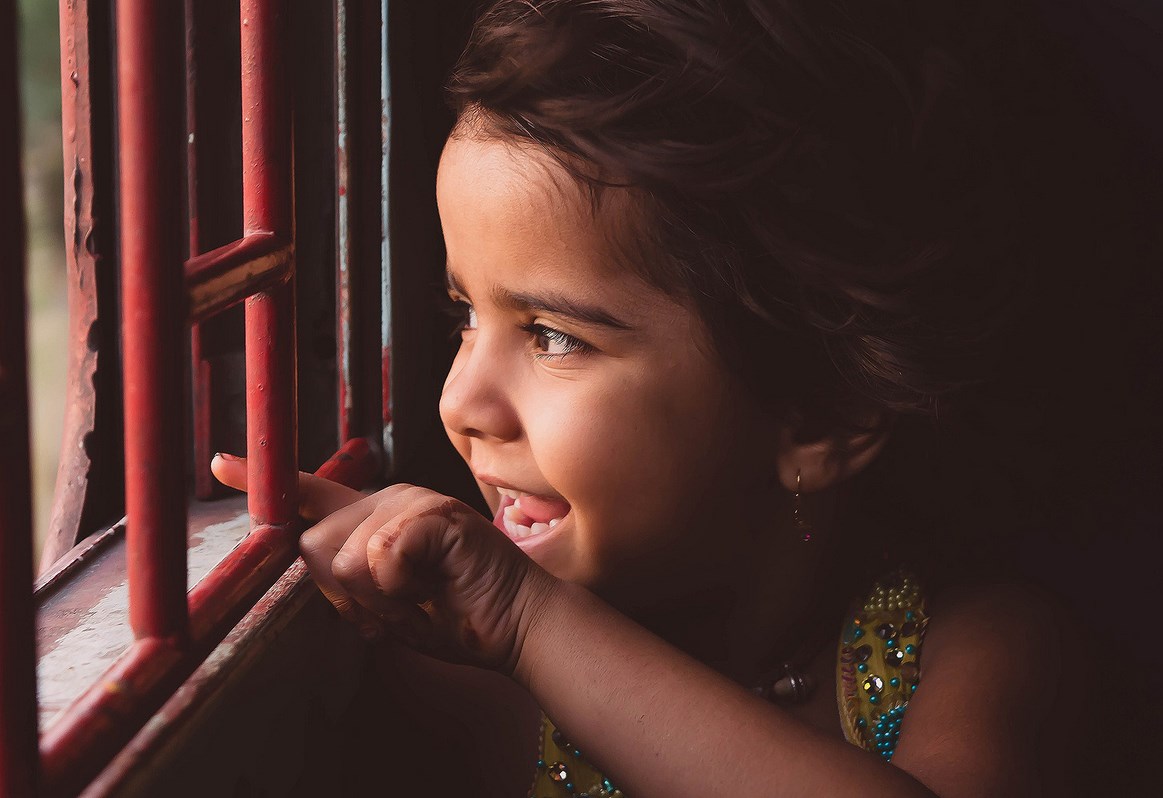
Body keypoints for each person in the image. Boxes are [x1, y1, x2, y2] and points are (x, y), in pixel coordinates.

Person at [215, 1, 1081, 794]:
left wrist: (530, 622)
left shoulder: (973, 646)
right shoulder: (459, 690)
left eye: (555, 336)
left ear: (822, 415)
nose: (459, 402)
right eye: (464, 316)